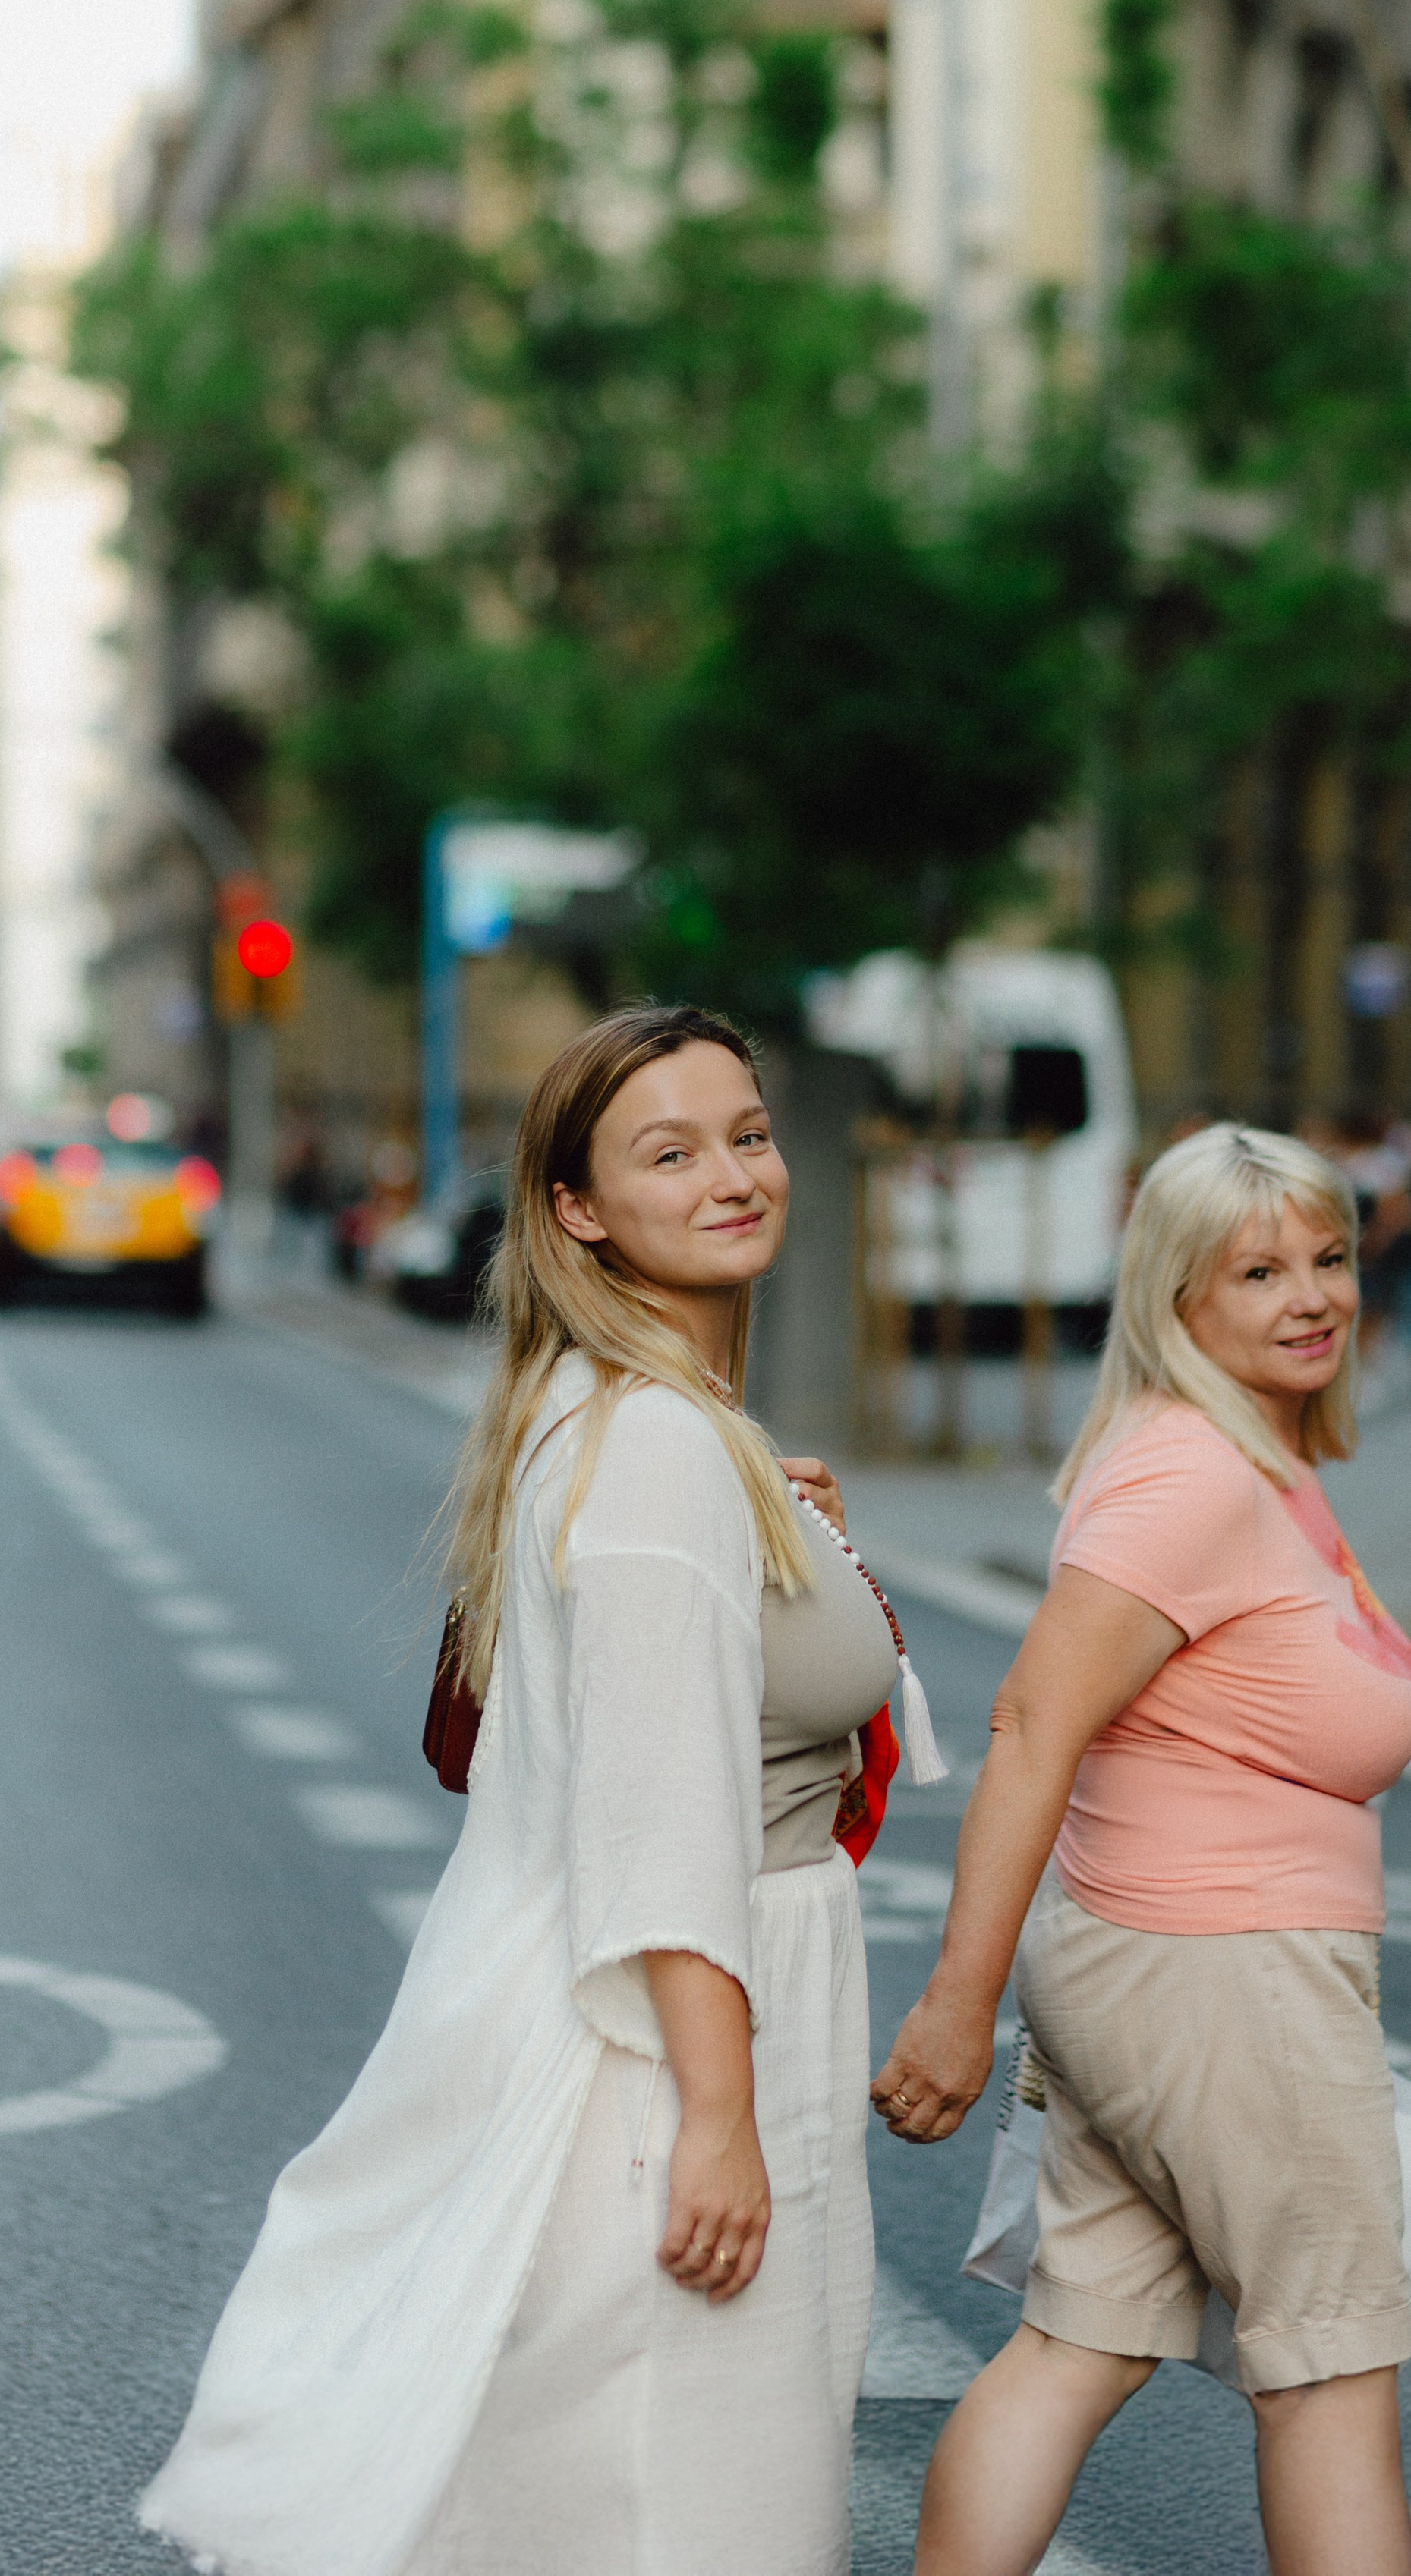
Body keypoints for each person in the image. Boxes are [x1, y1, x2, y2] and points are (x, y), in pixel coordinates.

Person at [141, 1002, 937, 2576]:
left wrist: (778, 1529)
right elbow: (659, 1810)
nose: (733, 1172)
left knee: (591, 2467)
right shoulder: (651, 1446)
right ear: (576, 1206)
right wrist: (718, 2113)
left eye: (749, 1133)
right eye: (670, 1148)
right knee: (696, 2490)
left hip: (717, 1985)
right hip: (689, 2020)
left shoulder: (654, 1424)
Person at [871, 1121, 1411, 2576]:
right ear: (1178, 1297)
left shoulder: (1251, 1455)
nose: (1310, 1295)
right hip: (1221, 1977)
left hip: (1160, 1970)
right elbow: (1033, 1723)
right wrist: (954, 2002)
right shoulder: (1191, 1478)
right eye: (1258, 1269)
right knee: (1329, 2371)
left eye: (1327, 1258)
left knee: (1082, 2340)